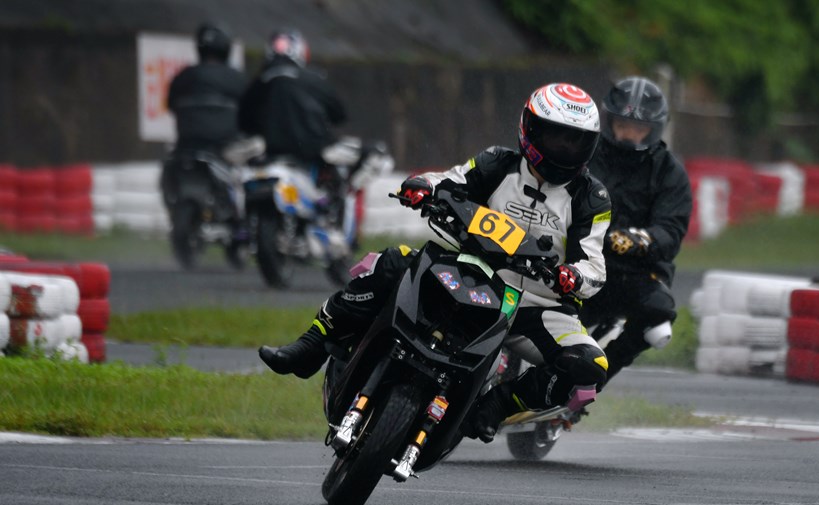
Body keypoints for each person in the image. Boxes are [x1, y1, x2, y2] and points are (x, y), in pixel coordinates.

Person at [258, 82, 612, 443]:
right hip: (469, 273)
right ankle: (314, 343)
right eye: (556, 137)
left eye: (576, 141)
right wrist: (423, 186)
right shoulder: (497, 162)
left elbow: (594, 265)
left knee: (591, 365)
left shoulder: (592, 197)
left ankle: (501, 403)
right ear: (530, 129)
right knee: (390, 262)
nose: (565, 150)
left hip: (534, 306)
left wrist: (572, 276)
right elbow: (449, 180)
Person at [579, 76, 692, 387]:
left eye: (638, 128)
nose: (629, 134)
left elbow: (671, 230)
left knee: (658, 323)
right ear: (609, 121)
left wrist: (638, 241)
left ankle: (593, 382)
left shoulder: (669, 172)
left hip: (634, 273)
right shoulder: (583, 154)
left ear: (653, 129)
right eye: (623, 125)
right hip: (580, 259)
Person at [237, 29, 350, 244]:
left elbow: (243, 121)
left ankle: (245, 225)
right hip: (309, 152)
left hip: (270, 153)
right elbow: (339, 113)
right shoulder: (313, 79)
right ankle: (331, 217)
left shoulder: (259, 82)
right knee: (338, 172)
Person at [166, 22, 246, 154]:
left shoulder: (183, 76)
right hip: (225, 149)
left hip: (186, 147)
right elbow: (250, 111)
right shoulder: (236, 78)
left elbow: (170, 105)